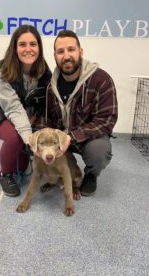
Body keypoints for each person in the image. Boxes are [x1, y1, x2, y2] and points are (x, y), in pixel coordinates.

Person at [0, 25, 51, 197]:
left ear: (39, 47)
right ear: (15, 47)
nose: (28, 49)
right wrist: (31, 140)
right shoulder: (1, 72)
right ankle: (5, 174)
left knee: (24, 160)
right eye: (22, 44)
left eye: (33, 44)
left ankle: (22, 156)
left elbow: (46, 101)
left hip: (25, 116)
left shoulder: (43, 70)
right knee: (16, 137)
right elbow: (14, 108)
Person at [45, 30, 118, 196]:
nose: (66, 56)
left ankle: (91, 174)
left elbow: (107, 120)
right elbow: (49, 120)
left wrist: (73, 135)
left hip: (88, 138)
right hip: (62, 137)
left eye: (71, 49)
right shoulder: (51, 86)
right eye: (60, 51)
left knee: (99, 151)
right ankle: (61, 168)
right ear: (55, 56)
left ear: (80, 52)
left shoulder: (102, 80)